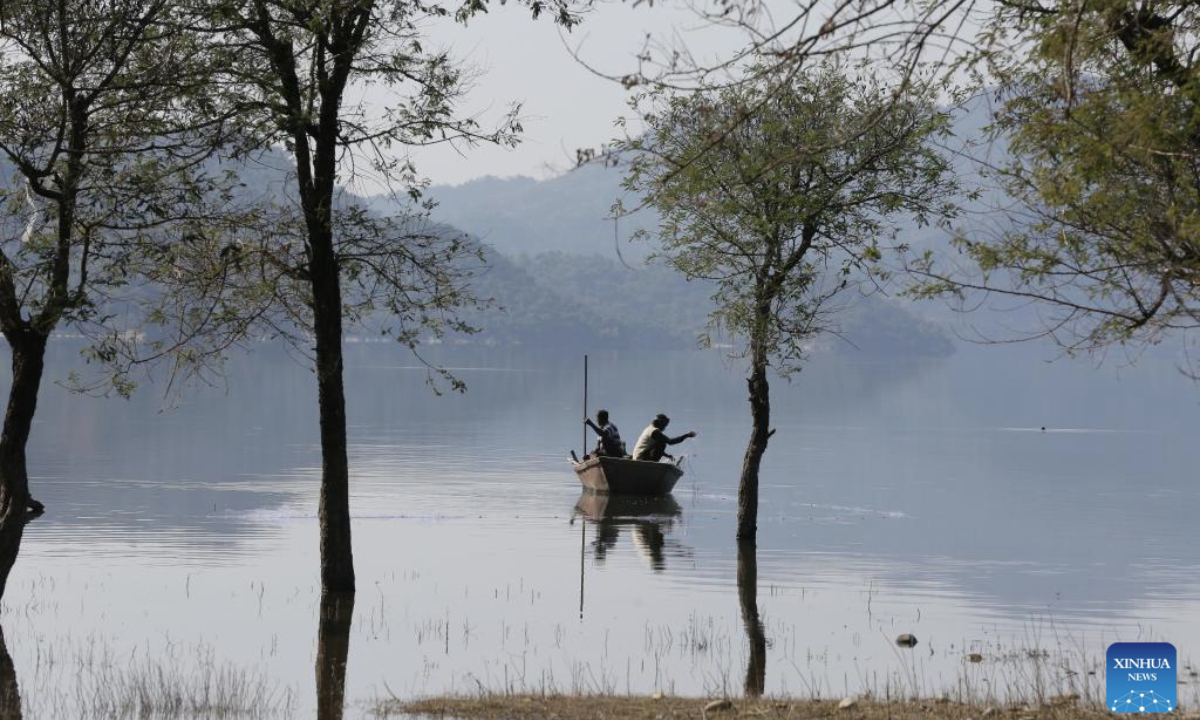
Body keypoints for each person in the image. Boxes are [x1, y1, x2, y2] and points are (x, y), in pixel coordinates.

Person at [632, 414, 696, 462]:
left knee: (660, 442)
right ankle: (653, 463)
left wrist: (667, 455)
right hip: (641, 458)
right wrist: (687, 435)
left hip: (638, 457)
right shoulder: (655, 431)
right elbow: (671, 442)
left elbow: (652, 448)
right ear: (660, 423)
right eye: (665, 424)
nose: (665, 427)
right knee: (662, 443)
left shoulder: (648, 428)